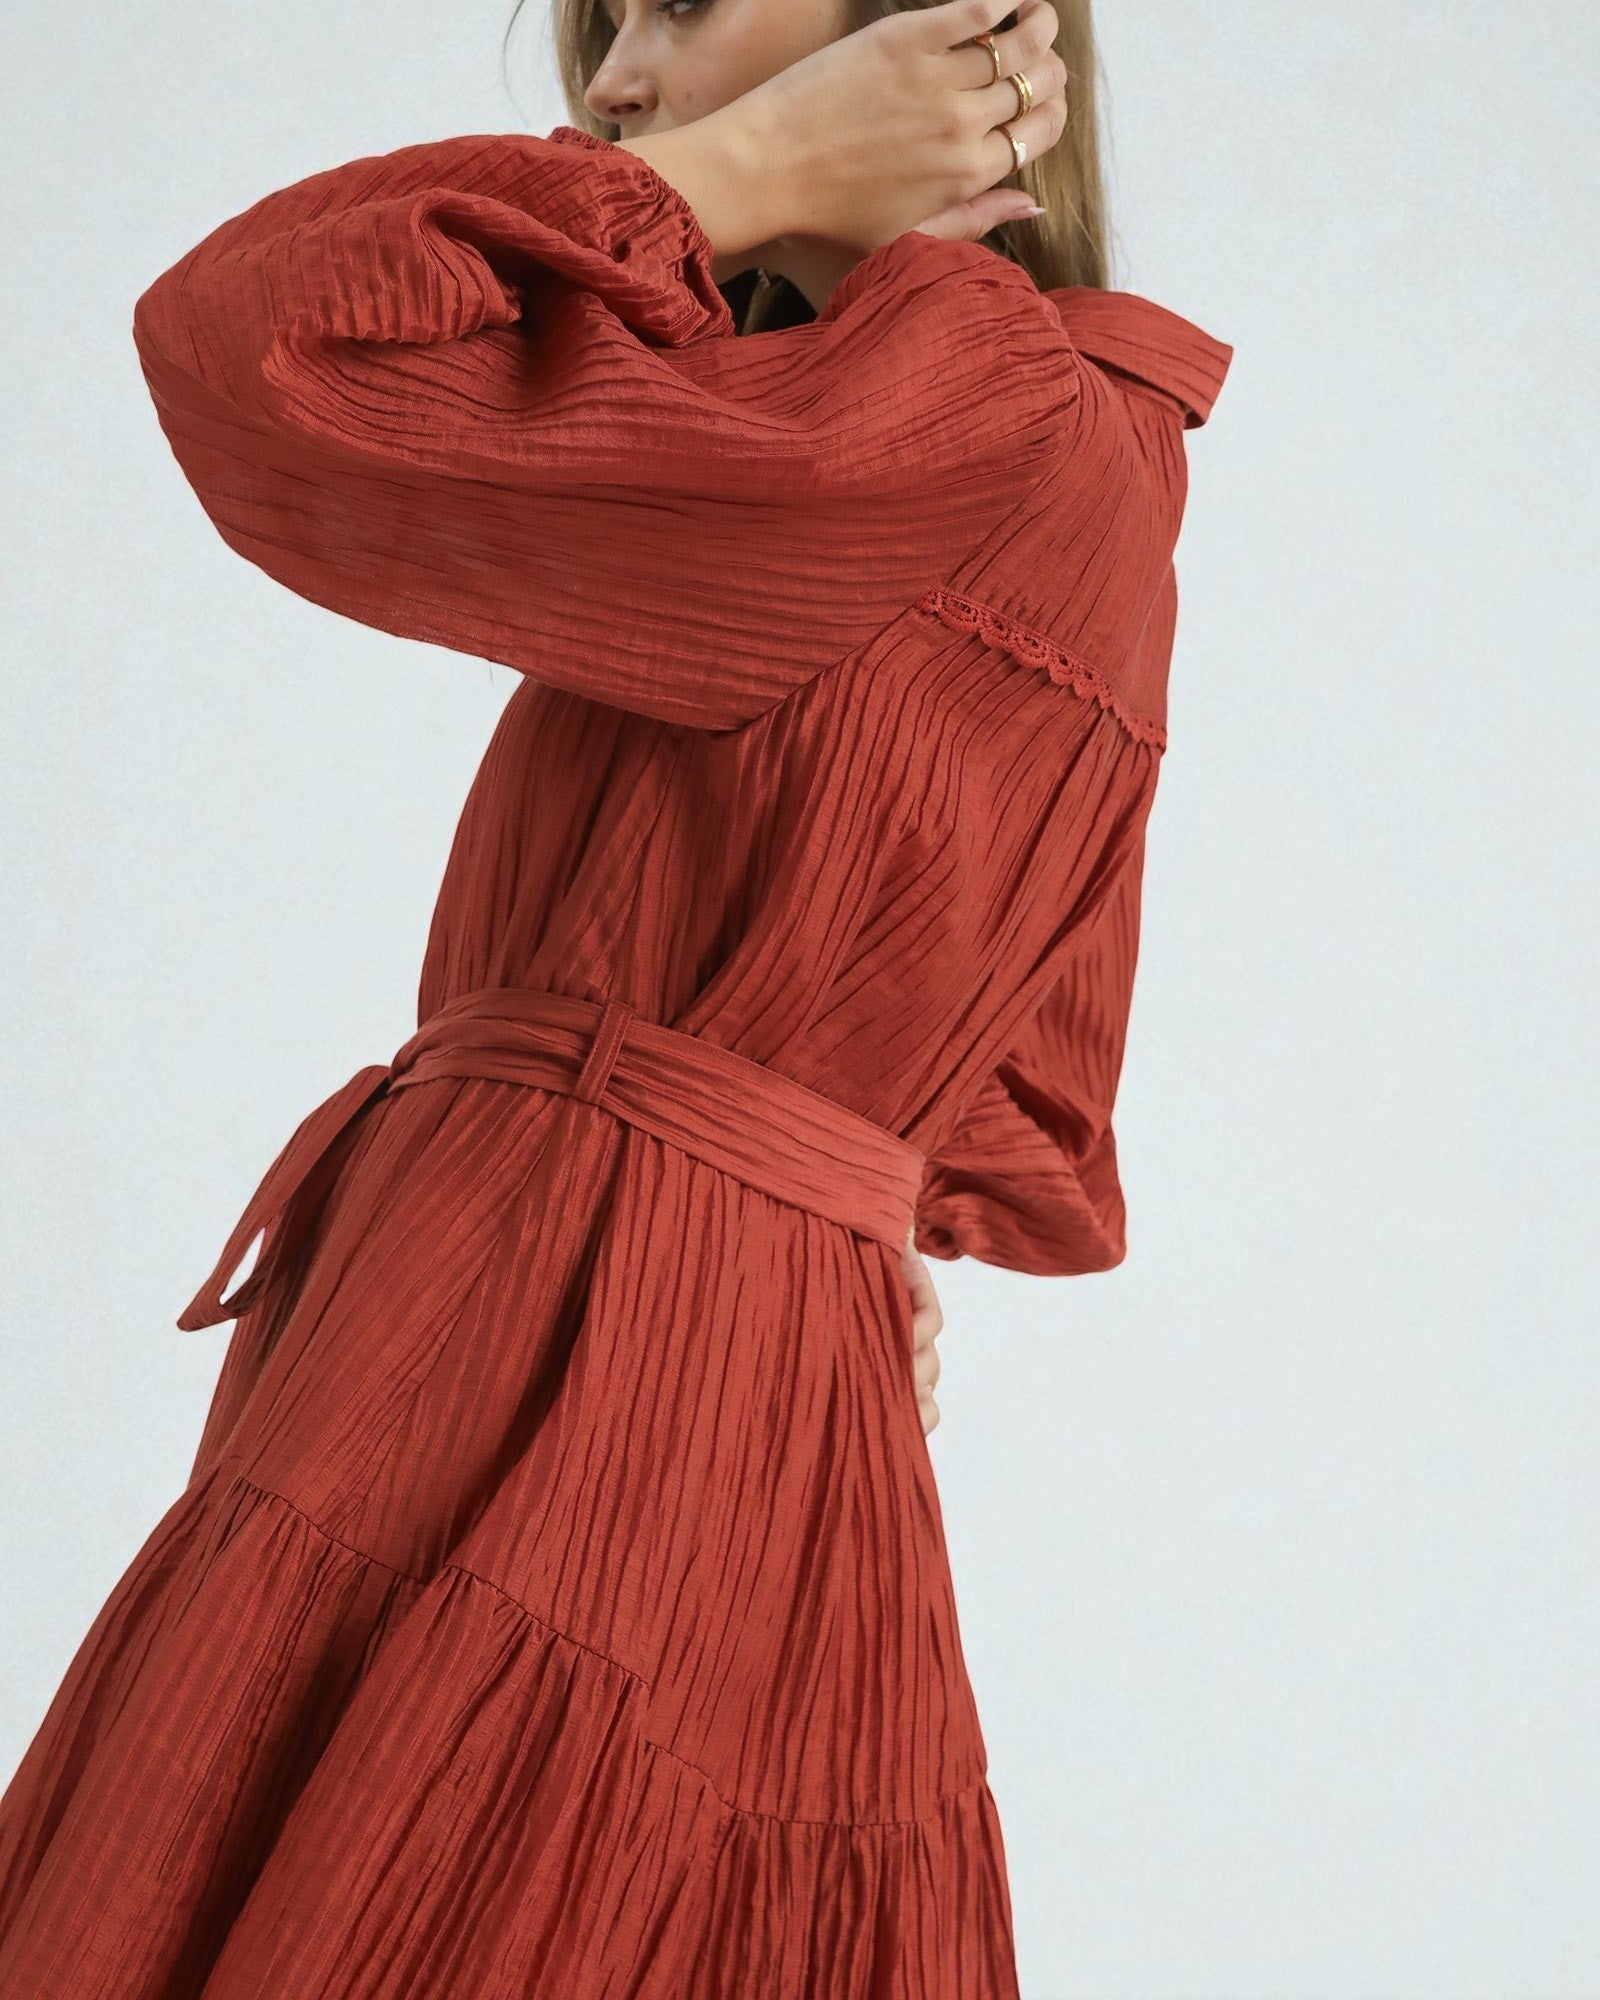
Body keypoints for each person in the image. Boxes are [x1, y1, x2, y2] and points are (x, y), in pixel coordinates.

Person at [0, 0, 1232, 1991]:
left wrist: (727, 173)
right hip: (622, 1333)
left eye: (668, 0)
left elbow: (252, 341)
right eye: (598, 38)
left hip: (583, 1342)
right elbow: (1016, 1074)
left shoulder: (954, 408)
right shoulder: (942, 435)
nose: (612, 89)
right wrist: (840, 1193)